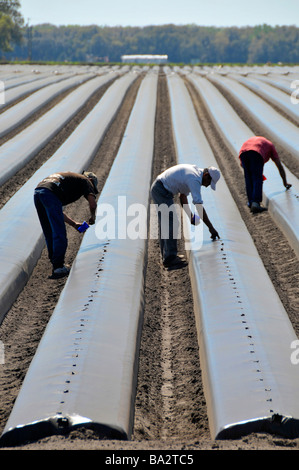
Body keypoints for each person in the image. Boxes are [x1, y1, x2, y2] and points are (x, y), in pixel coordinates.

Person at [151, 164, 220, 269]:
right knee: (172, 222)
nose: (206, 186)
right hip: (161, 190)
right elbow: (199, 207)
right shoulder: (195, 179)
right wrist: (211, 228)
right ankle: (170, 258)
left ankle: (168, 256)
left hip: (160, 188)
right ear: (206, 175)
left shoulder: (193, 174)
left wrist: (191, 216)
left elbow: (182, 196)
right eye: (208, 183)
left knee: (166, 223)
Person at [34, 171, 98, 279]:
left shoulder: (69, 180)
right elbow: (93, 204)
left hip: (39, 191)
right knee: (59, 232)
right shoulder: (86, 181)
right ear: (91, 180)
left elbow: (56, 210)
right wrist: (93, 217)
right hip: (49, 193)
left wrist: (73, 224)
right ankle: (58, 267)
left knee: (49, 231)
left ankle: (56, 264)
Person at [239, 136, 292, 213]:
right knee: (257, 178)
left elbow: (242, 165)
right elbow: (279, 166)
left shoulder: (260, 142)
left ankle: (251, 202)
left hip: (243, 153)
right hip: (256, 153)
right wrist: (285, 182)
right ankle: (256, 203)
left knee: (248, 178)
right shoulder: (270, 146)